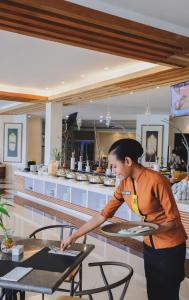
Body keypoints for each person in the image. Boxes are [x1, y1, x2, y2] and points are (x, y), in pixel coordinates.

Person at [61, 139, 187, 300]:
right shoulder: (124, 185)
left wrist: (150, 229)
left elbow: (173, 220)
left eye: (114, 166)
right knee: (154, 292)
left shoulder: (156, 180)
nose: (112, 170)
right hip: (149, 245)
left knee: (167, 294)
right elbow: (102, 215)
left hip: (170, 246)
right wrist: (74, 236)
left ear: (127, 161)